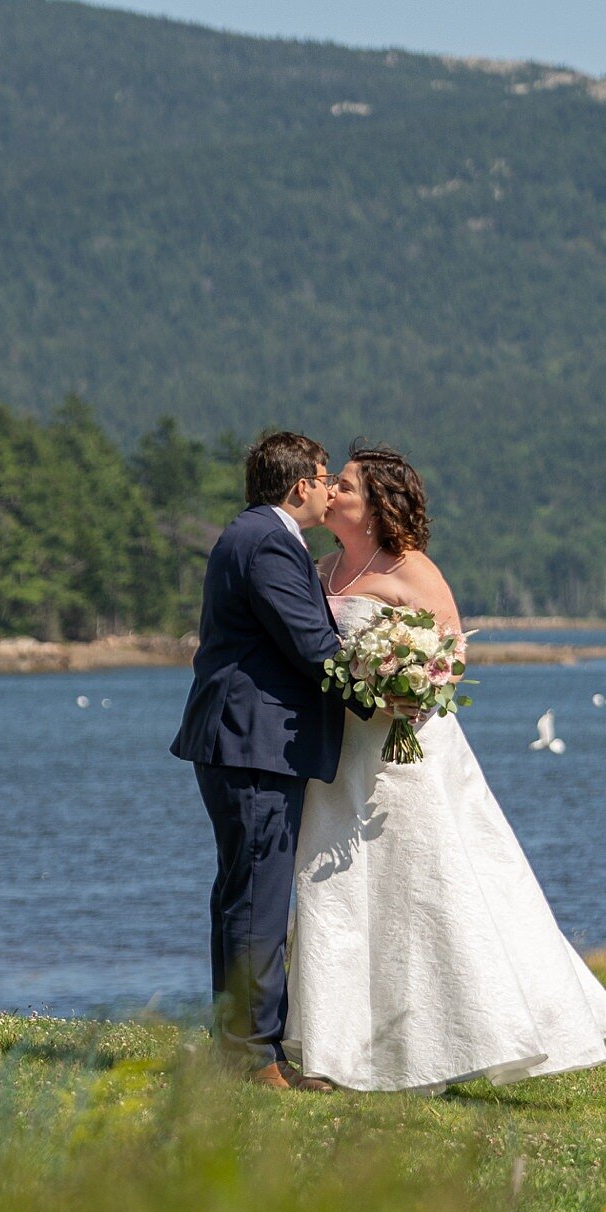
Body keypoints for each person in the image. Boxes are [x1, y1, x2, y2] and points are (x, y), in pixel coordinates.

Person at [285, 442, 606, 1093]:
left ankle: (452, 1039)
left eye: (347, 484)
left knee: (423, 889)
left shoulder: (412, 569)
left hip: (405, 750)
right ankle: (336, 1049)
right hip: (338, 755)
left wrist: (405, 684)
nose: (333, 492)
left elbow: (449, 658)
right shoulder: (320, 567)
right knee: (335, 892)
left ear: (379, 504)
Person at [170, 430, 345, 1085]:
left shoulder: (245, 534)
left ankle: (237, 1046)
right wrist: (382, 691)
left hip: (240, 738)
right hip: (254, 742)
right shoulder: (269, 541)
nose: (329, 491)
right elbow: (308, 642)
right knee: (256, 901)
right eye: (325, 479)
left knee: (240, 896)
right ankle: (253, 1055)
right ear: (301, 485)